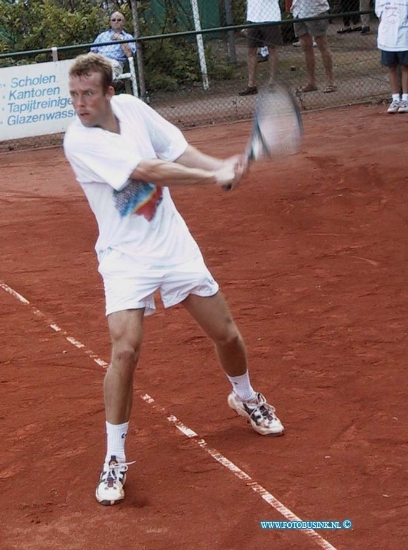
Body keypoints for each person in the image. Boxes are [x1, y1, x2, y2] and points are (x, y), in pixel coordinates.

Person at [63, 53, 285, 506]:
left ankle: (245, 396)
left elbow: (176, 151)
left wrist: (217, 163)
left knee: (226, 334)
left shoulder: (134, 109)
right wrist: (213, 176)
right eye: (73, 94)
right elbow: (150, 170)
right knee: (124, 349)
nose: (80, 103)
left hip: (172, 246)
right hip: (125, 257)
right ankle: (114, 458)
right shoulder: (79, 140)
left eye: (88, 93)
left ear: (109, 93)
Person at [289, 0, 336, 93]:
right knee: (306, 46)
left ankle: (330, 82)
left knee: (322, 44)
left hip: (316, 9)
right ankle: (312, 82)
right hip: (299, 9)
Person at [238, 0, 283, 95]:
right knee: (251, 50)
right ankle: (251, 83)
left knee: (272, 49)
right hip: (253, 17)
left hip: (270, 17)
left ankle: (272, 82)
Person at [375, 0, 408, 113]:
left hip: (403, 37)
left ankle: (405, 99)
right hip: (387, 39)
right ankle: (395, 99)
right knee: (391, 68)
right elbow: (380, 17)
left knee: (405, 67)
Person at [91, 12, 136, 78]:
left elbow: (129, 54)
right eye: (113, 20)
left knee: (105, 70)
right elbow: (92, 52)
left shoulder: (128, 37)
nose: (116, 22)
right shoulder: (102, 36)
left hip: (114, 63)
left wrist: (121, 39)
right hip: (99, 62)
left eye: (119, 20)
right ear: (110, 23)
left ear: (123, 22)